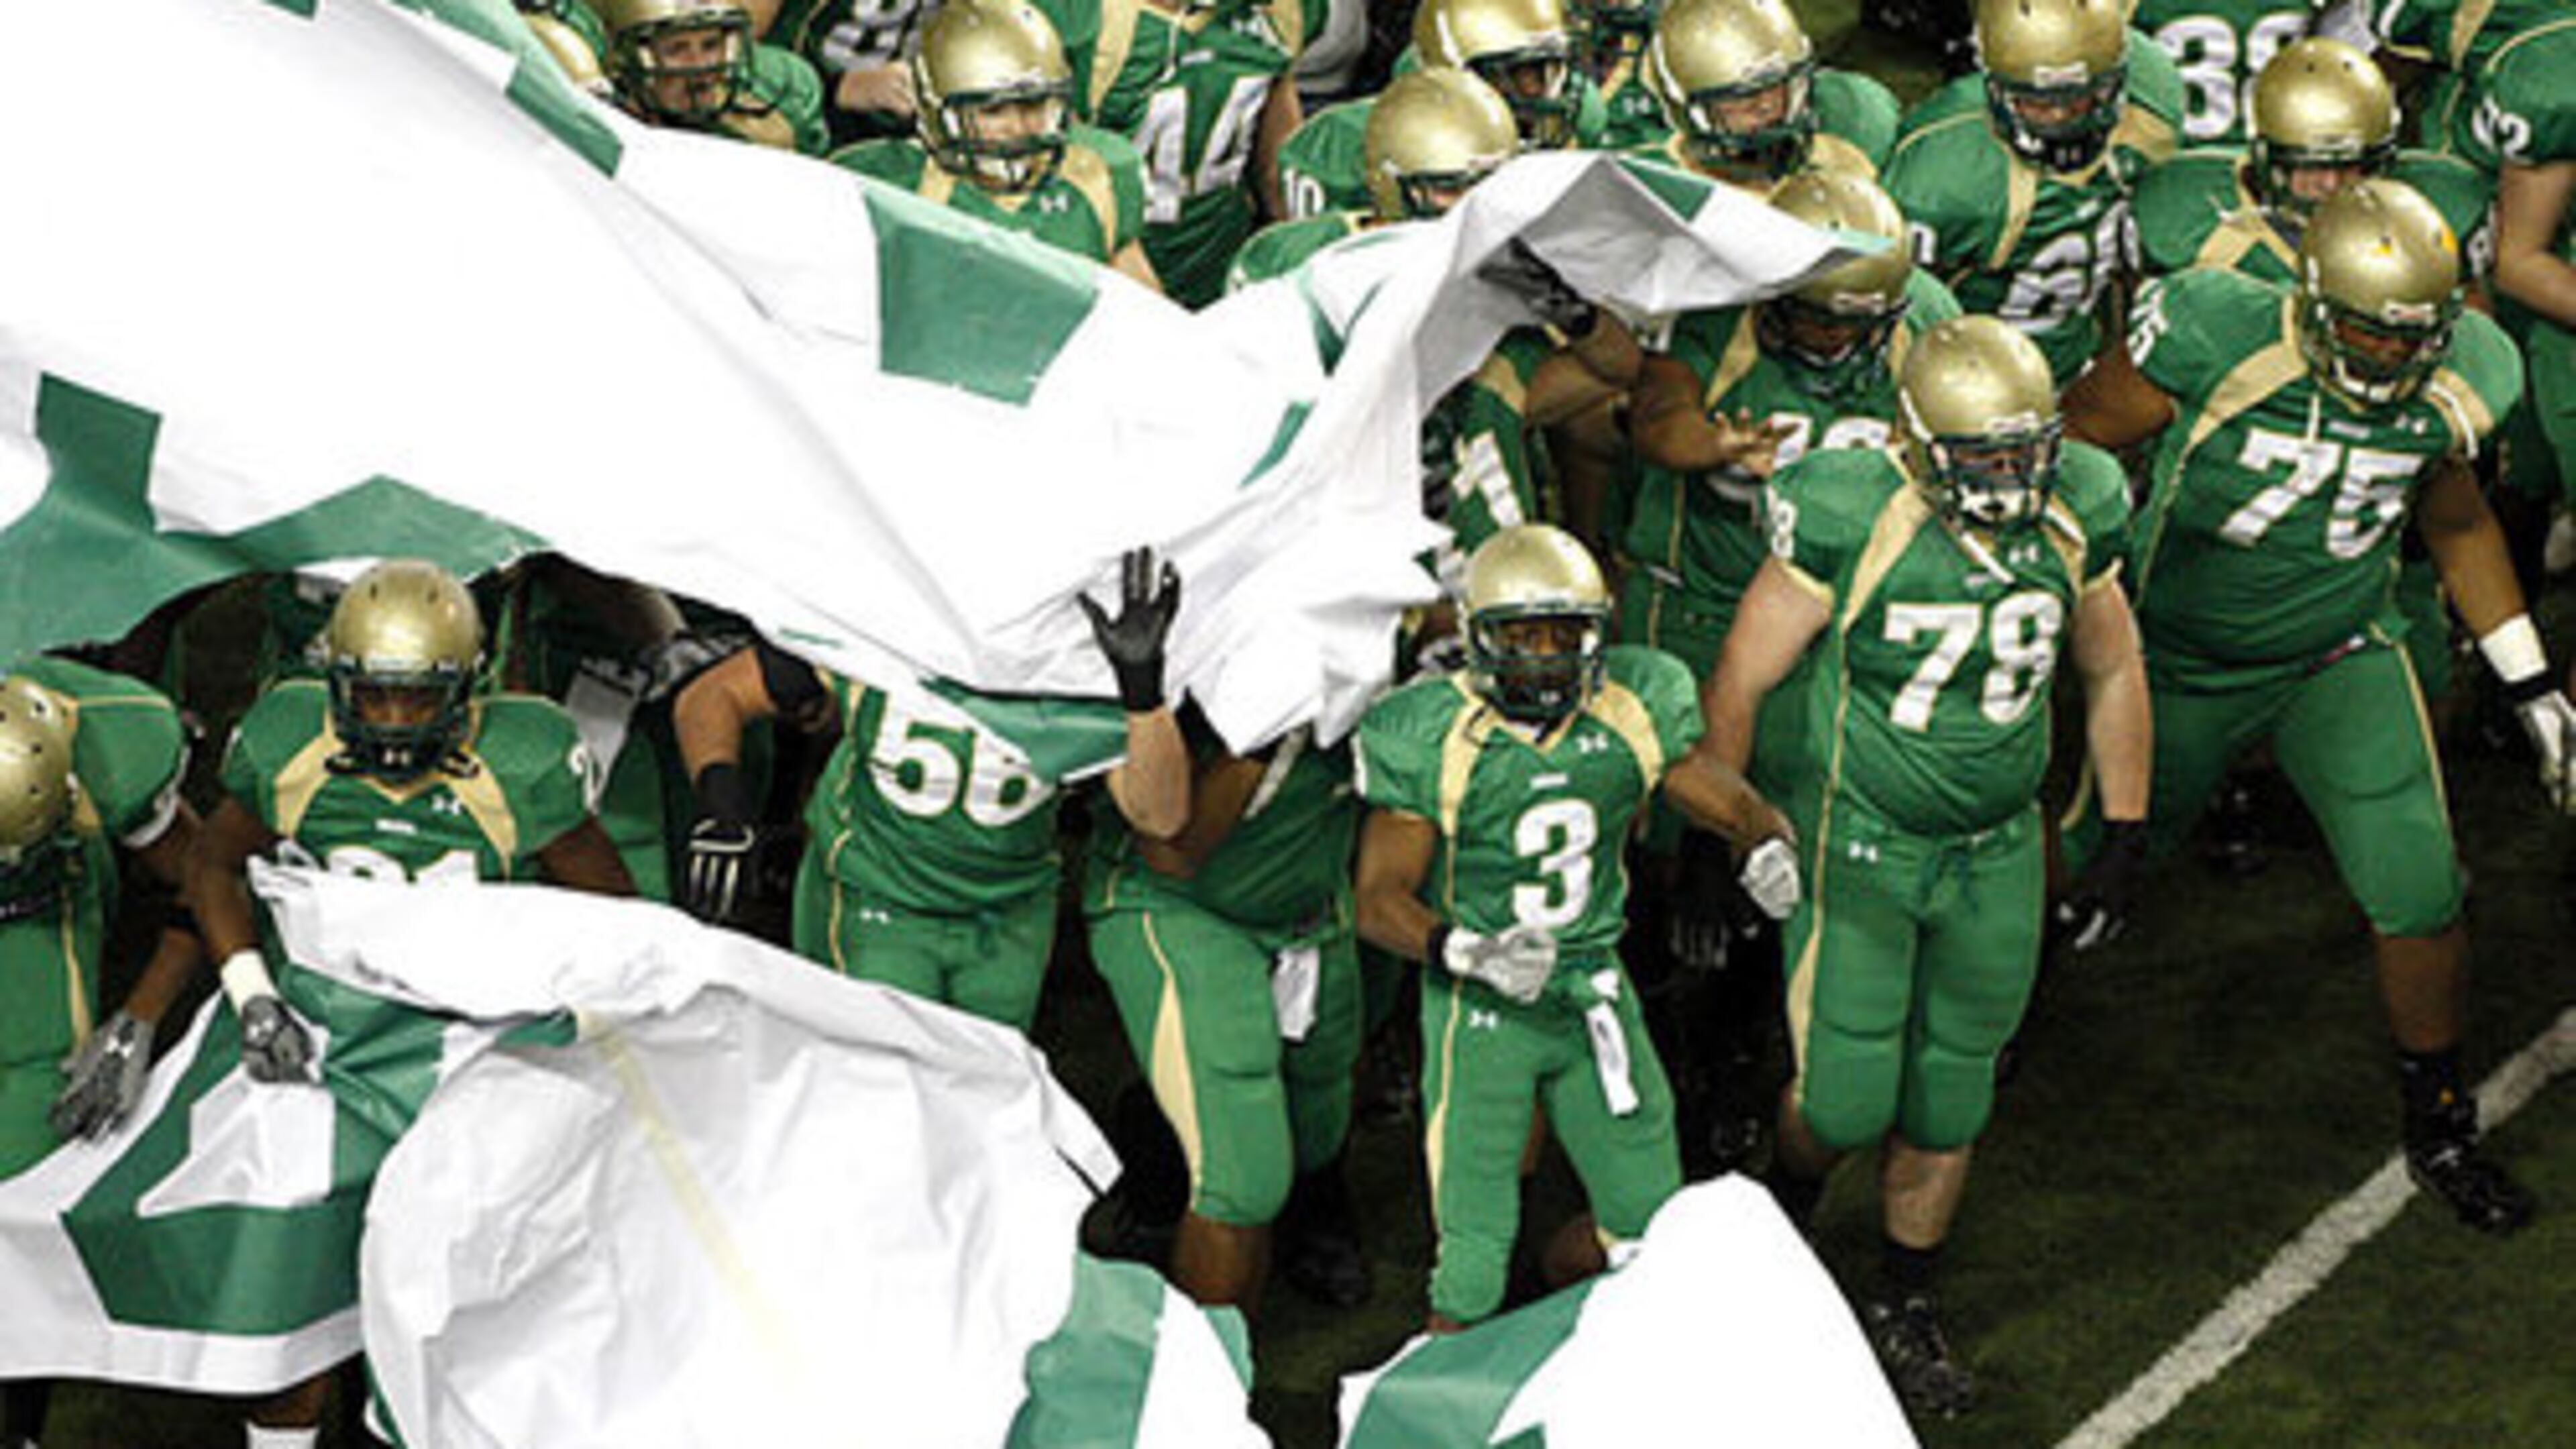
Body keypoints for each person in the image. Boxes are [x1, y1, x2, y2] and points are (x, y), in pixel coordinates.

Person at [2062, 178, 2570, 1238]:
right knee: (2084, 876)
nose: (2392, 357)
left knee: (2422, 888)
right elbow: (2070, 458)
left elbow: (2457, 517)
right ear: (2309, 296)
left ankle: (2439, 1119)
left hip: (2341, 653)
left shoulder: (2469, 370)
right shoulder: (2212, 331)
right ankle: (1993, 1032)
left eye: (2414, 335)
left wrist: (2530, 683)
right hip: (2180, 664)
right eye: (2370, 332)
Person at [1701, 315, 2150, 1417]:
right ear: (1916, 443)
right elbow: (1745, 675)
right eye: (1983, 456)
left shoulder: (2078, 503)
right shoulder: (1857, 512)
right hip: (1862, 839)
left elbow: (2114, 660)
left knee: (1952, 1091)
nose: (2010, 477)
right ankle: (1782, 1212)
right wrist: (1736, 824)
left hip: (1995, 849)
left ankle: (1905, 1301)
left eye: (2024, 452)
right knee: (1848, 1100)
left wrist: (2126, 830)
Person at [189, 559, 637, 1448]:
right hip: (324, 1041)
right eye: (374, 696)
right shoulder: (289, 737)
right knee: (289, 1297)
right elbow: (212, 862)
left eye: (416, 699)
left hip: (468, 1051)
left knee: (453, 1309)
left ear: (470, 688)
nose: (393, 721)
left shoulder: (522, 760)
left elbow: (610, 916)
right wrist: (252, 994)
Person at [1352, 523, 1799, 1331]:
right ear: (1479, 638)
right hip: (1480, 1010)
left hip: (1595, 991)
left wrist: (1764, 836)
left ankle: (1566, 1335)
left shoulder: (1630, 706)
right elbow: (1378, 897)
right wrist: (1467, 950)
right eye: (1524, 637)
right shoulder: (1434, 735)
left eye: (1567, 635)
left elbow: (1713, 791)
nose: (1549, 657)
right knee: (1471, 1269)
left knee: (1652, 1238)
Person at [1618, 165, 1960, 1168]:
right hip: (1693, 599)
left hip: (1816, 614)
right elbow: (1655, 415)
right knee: (1663, 837)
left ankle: (1739, 1045)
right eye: (1818, 322)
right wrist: (1709, 443)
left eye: (1863, 322)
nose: (1843, 345)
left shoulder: (1920, 325)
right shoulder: (1711, 308)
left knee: (1787, 831)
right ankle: (1660, 1041)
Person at [672, 549, 1190, 1031]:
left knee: (979, 1101)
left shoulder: (1082, 658)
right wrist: (723, 804)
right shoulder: (878, 624)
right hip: (876, 899)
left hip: (1007, 916)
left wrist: (1143, 692)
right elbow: (714, 697)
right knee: (881, 1094)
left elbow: (1161, 817)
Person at [1084, 714, 1370, 1314]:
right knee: (1243, 1177)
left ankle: (1168, 1142)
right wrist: (1269, 731)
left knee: (1319, 1102)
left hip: (1311, 899)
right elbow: (1169, 847)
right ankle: (1199, 1384)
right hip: (1184, 905)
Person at [1, 661, 200, 1449]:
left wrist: (141, 1015)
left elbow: (207, 882)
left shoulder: (111, 742)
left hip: (44, 1013)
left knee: (17, 1244)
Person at [1882, 0, 2181, 387]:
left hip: (2083, 362)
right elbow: (1901, 306)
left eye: (2077, 100)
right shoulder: (1941, 177)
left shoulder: (2150, 105)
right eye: (2036, 103)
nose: (2059, 119)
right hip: (1971, 381)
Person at [830, 0, 1162, 288]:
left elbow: (1148, 321)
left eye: (1034, 105)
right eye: (993, 111)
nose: (1018, 128)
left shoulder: (1097, 172)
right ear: (933, 107)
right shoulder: (883, 183)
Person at [1633, 0, 1900, 190]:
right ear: (1684, 108)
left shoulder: (1855, 115)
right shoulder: (1653, 181)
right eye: (1742, 99)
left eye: (1779, 86)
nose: (1768, 105)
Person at [596, 0, 831, 154]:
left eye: (711, 45)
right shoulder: (598, 130)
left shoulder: (768, 124)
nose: (699, 65)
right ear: (630, 56)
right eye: (677, 49)